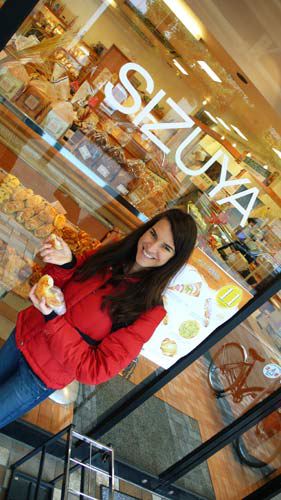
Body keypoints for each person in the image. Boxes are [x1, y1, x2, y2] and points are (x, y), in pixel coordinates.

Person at [0, 209, 197, 428]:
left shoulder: (149, 311)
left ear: (174, 259)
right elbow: (54, 286)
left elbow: (95, 369)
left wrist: (54, 320)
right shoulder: (110, 254)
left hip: (38, 377)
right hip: (22, 338)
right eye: (153, 234)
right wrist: (66, 264)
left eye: (166, 247)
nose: (151, 247)